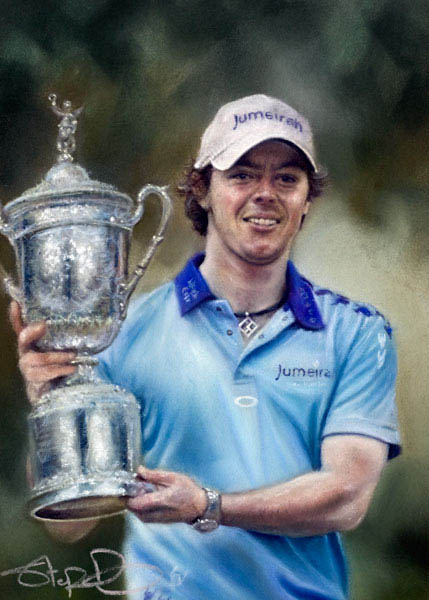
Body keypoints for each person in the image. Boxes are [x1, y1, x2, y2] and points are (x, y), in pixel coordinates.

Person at [10, 94, 400, 599]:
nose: (265, 194)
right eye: (242, 175)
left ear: (307, 199)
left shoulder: (358, 333)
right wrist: (50, 401)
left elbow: (346, 498)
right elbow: (71, 524)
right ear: (202, 189)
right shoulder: (125, 331)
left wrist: (209, 506)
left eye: (287, 178)